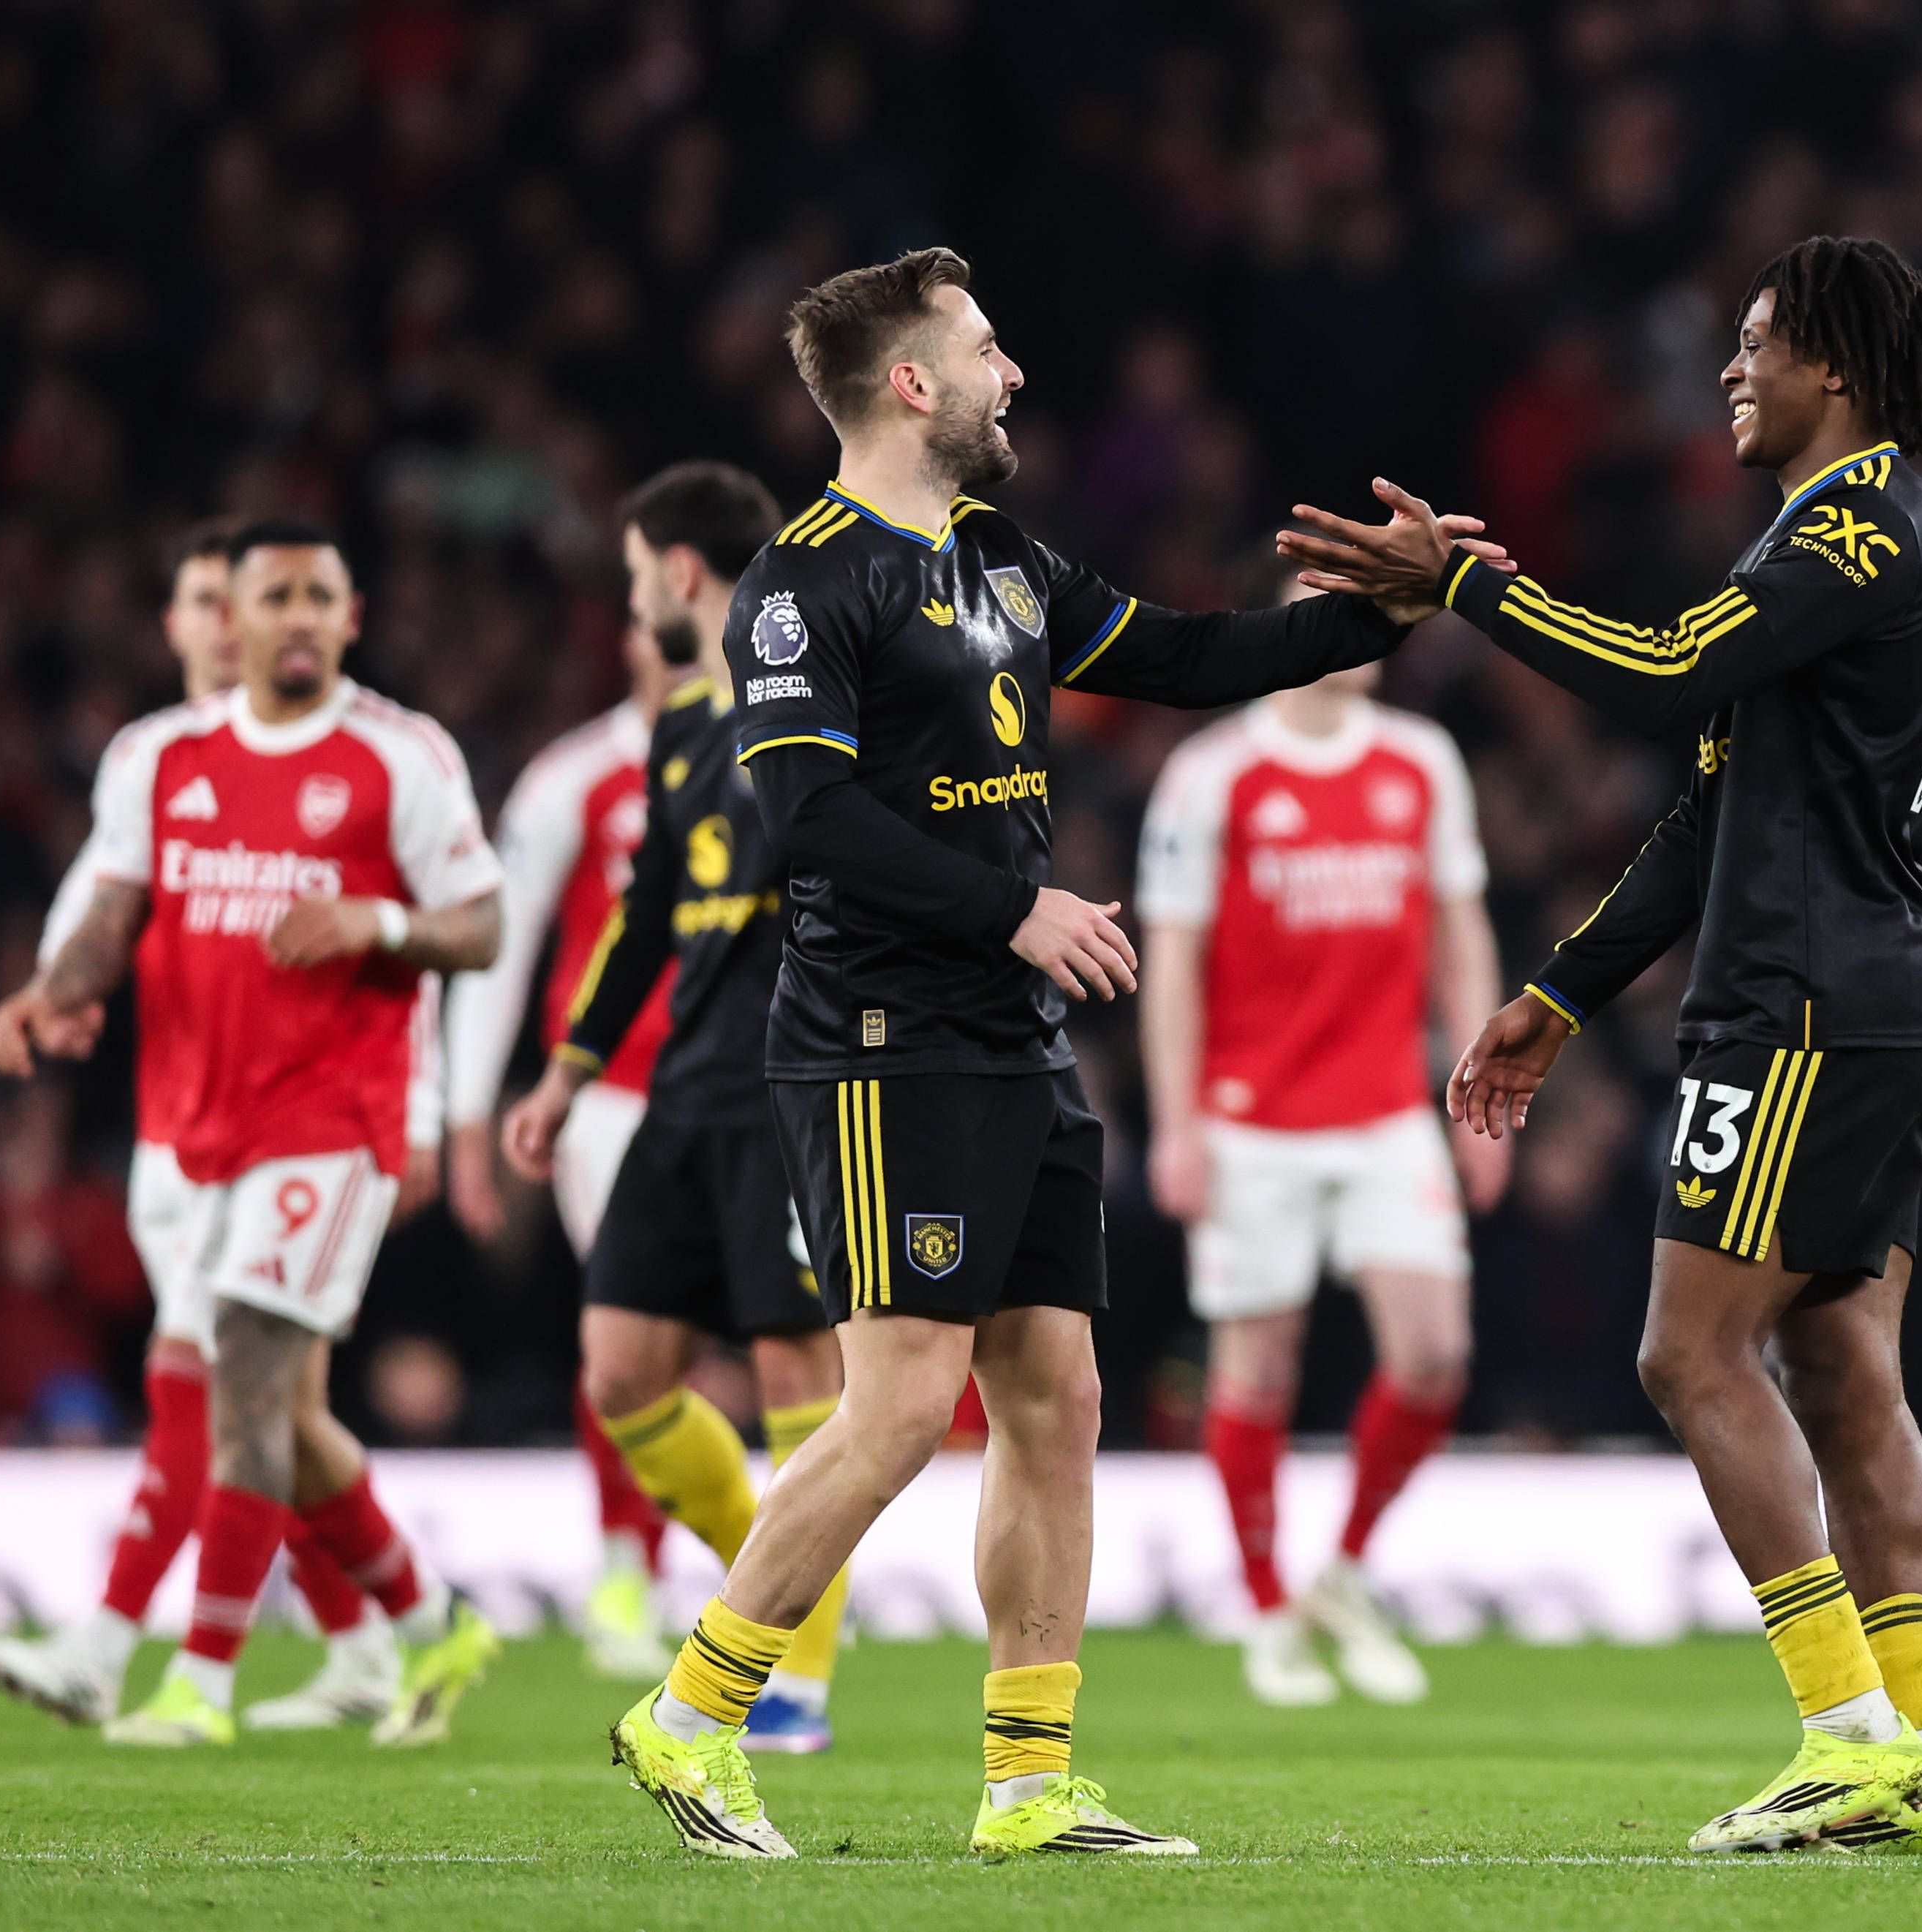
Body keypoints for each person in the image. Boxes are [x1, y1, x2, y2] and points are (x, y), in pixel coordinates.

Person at [602, 249, 1488, 1860]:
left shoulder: (992, 553)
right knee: (895, 1410)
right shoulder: (801, 583)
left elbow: (1174, 656)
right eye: (988, 348)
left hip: (1005, 1044)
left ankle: (1027, 1782)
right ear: (913, 384)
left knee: (1056, 1396)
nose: (1015, 374)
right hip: (878, 1042)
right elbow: (804, 816)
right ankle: (689, 1715)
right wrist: (1014, 909)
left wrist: (1382, 613)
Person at [1283, 235, 1922, 1854]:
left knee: (1686, 1355)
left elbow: (1663, 676)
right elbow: (1707, 809)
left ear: (1838, 369)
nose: (1731, 369)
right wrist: (1557, 993)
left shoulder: (1857, 525)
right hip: (1874, 993)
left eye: (1758, 344)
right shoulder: (1842, 532)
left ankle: (1842, 1733)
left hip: (1804, 1000)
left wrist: (1469, 584)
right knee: (1835, 1367)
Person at [1, 518, 507, 1749]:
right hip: (195, 1128)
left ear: (351, 614)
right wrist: (52, 991)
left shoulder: (402, 754)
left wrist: (378, 925)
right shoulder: (166, 760)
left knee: (242, 1374)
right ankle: (422, 1618)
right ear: (231, 613)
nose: (288, 615)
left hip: (332, 1120)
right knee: (276, 1410)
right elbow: (114, 903)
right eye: (266, 594)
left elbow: (482, 927)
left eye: (313, 594)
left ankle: (196, 1678)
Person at [502, 461, 851, 1754]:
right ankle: (784, 1573)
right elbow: (647, 916)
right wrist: (571, 1068)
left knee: (793, 1370)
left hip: (792, 1081)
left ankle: (798, 1673)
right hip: (679, 1085)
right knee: (623, 1372)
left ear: (683, 575)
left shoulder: (813, 699)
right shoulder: (684, 726)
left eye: (639, 571)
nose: (631, 594)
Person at [1135, 630, 1507, 1706]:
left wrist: (1483, 1091)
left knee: (1435, 1353)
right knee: (1257, 1363)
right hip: (1251, 1119)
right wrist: (1177, 1123)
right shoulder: (1214, 771)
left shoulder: (1422, 758)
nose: (1372, 629)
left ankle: (1340, 1572)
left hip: (1389, 1111)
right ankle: (1264, 1606)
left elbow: (1460, 931)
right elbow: (1176, 964)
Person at [442, 610, 686, 1684]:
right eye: (649, 628)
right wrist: (463, 1115)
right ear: (624, 644)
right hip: (615, 1099)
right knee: (641, 1332)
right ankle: (627, 1562)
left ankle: (767, 1577)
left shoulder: (785, 755)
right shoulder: (570, 780)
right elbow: (502, 948)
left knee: (795, 1338)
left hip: (766, 1089)